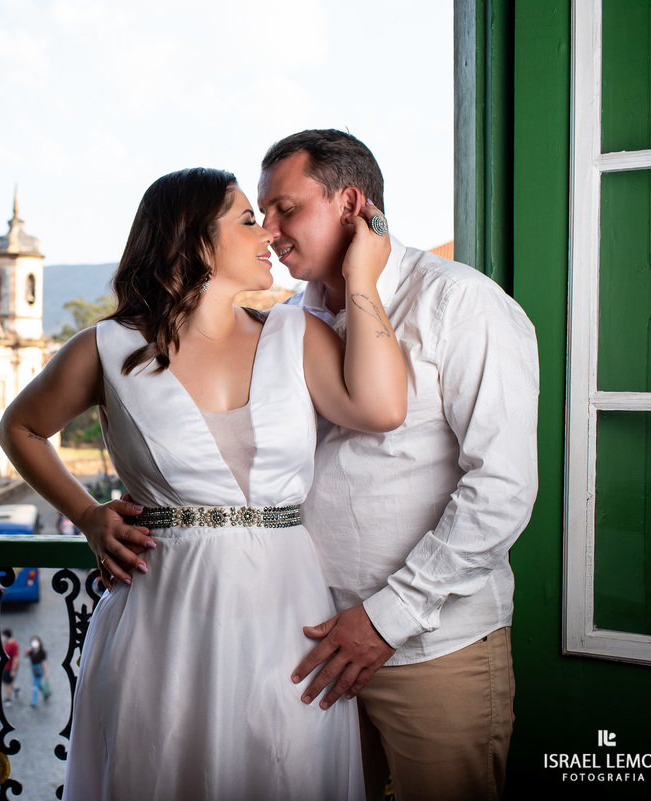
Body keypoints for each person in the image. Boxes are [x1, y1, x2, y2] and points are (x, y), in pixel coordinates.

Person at [0, 166, 405, 800]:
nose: (268, 230)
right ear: (194, 241)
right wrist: (87, 516)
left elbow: (383, 409)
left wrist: (362, 280)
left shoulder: (297, 335)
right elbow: (19, 428)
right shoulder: (105, 349)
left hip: (288, 617)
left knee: (286, 770)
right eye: (247, 219)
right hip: (165, 617)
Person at [256, 129, 539, 801]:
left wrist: (384, 618)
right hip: (311, 645)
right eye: (262, 213)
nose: (267, 231)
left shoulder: (462, 304)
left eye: (285, 208)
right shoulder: (287, 323)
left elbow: (502, 486)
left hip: (435, 650)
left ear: (352, 203)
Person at [25, 635, 50, 708]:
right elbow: (25, 656)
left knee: (35, 685)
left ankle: (34, 703)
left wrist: (46, 672)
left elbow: (44, 662)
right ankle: (45, 693)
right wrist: (27, 651)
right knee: (38, 684)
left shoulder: (42, 652)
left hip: (39, 669)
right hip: (33, 668)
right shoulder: (31, 651)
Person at [1, 629, 20, 705]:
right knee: (5, 682)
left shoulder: (14, 645)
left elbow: (16, 658)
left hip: (10, 667)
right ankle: (15, 688)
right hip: (5, 667)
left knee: (7, 683)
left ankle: (8, 699)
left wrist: (13, 670)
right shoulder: (5, 643)